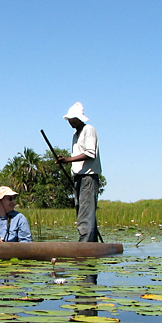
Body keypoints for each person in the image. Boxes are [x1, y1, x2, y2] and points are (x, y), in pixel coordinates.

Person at [57, 102, 102, 242]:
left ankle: (85, 244)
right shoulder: (75, 135)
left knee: (86, 212)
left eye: (72, 119)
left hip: (88, 177)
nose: (70, 122)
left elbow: (90, 154)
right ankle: (91, 242)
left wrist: (68, 160)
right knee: (81, 210)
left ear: (79, 118)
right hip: (78, 177)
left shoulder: (89, 130)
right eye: (69, 119)